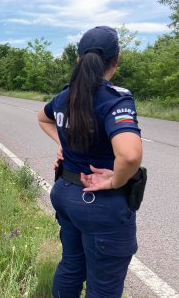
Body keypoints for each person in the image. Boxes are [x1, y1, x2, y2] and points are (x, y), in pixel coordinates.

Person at [37, 26, 143, 298]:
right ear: (116, 60)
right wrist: (115, 180)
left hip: (65, 193)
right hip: (98, 204)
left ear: (78, 60)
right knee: (103, 286)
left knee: (71, 266)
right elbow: (129, 155)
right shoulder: (114, 100)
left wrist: (62, 142)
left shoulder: (64, 97)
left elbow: (43, 117)